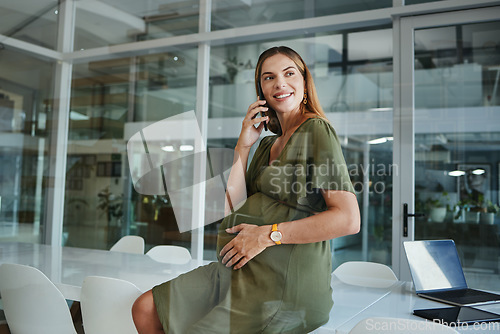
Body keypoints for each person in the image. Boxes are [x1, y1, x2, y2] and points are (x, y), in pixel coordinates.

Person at [132, 46, 360, 334]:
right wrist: (244, 143)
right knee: (145, 308)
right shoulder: (267, 144)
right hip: (237, 269)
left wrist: (267, 235)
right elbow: (231, 205)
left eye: (289, 73)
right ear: (261, 91)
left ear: (304, 83)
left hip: (281, 286)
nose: (279, 83)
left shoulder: (316, 131)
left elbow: (348, 219)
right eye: (269, 77)